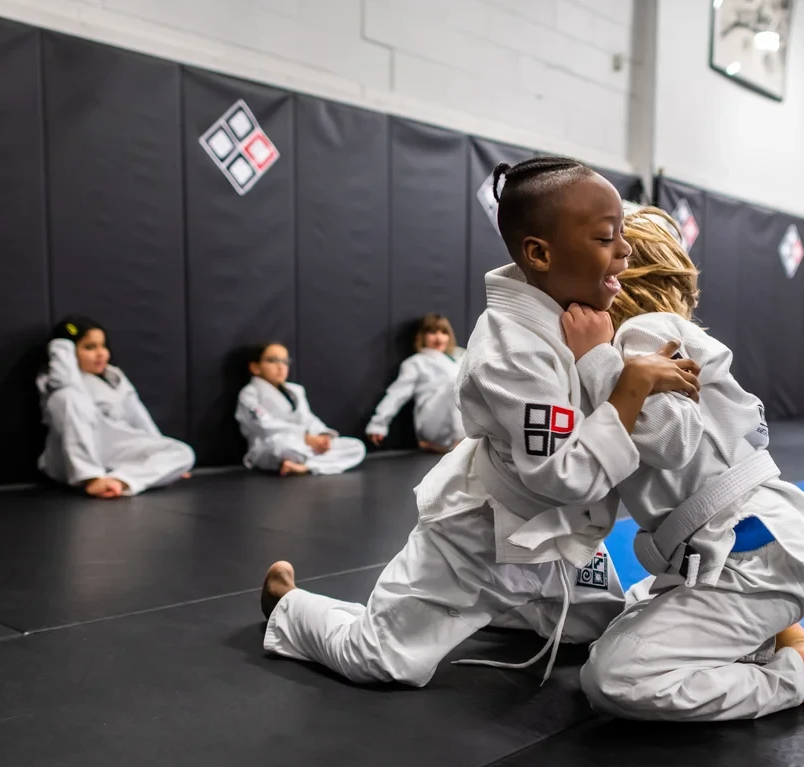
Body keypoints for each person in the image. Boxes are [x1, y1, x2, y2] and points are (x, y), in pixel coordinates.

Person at [257, 157, 700, 687]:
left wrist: (609, 361)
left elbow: (672, 446)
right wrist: (627, 388)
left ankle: (510, 605)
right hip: (476, 537)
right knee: (385, 661)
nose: (625, 250)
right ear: (540, 253)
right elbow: (562, 477)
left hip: (561, 539)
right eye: (608, 238)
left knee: (594, 629)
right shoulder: (508, 351)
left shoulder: (591, 321)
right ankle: (289, 603)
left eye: (622, 235)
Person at [573, 206, 804, 721]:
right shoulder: (653, 339)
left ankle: (793, 679)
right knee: (621, 609)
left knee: (612, 676)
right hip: (743, 554)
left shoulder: (643, 336)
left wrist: (593, 357)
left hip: (748, 563)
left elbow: (663, 438)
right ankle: (775, 632)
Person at [36, 315, 195, 498]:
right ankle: (90, 477)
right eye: (89, 347)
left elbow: (139, 419)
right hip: (67, 460)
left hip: (112, 452)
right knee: (66, 396)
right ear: (70, 354)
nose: (101, 353)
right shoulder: (58, 382)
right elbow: (65, 384)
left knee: (183, 453)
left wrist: (160, 458)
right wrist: (62, 343)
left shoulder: (115, 378)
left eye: (103, 346)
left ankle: (117, 481)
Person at [235, 342, 366, 476]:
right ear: (255, 367)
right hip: (272, 446)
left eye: (285, 362)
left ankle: (305, 466)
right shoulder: (249, 393)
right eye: (273, 361)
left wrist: (322, 436)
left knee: (356, 447)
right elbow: (264, 425)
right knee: (283, 447)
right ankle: (310, 462)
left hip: (305, 444)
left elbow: (308, 418)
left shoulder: (296, 391)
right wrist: (305, 437)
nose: (280, 367)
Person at [366, 313, 465, 454]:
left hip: (464, 420)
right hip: (433, 421)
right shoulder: (416, 363)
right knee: (458, 383)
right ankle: (459, 445)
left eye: (443, 332)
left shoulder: (461, 358)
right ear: (422, 336)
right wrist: (378, 424)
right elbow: (397, 394)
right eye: (432, 332)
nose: (438, 338)